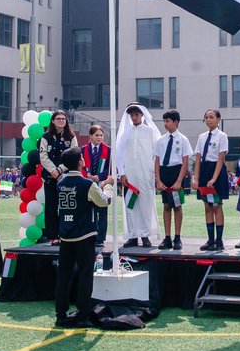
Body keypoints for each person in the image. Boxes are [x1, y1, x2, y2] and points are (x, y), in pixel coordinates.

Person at [54, 147, 114, 327]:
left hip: (65, 235)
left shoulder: (60, 183)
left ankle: (60, 314)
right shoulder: (86, 184)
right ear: (80, 162)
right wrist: (108, 185)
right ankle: (83, 315)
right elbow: (103, 201)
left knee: (64, 276)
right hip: (84, 235)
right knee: (85, 276)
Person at [114, 103, 160, 248]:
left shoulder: (150, 131)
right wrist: (121, 173)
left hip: (146, 173)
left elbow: (156, 154)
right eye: (132, 115)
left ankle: (145, 235)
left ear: (142, 115)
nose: (134, 117)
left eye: (137, 114)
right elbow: (119, 155)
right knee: (130, 204)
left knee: (146, 204)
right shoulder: (124, 133)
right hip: (129, 174)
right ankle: (133, 235)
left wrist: (154, 173)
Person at [37, 110, 78, 244]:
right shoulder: (45, 137)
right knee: (51, 207)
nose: (61, 121)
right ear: (53, 121)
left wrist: (60, 170)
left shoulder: (71, 137)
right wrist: (54, 171)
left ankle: (67, 234)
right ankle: (53, 236)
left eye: (63, 119)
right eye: (58, 119)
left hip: (66, 177)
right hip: (50, 177)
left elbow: (74, 155)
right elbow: (43, 157)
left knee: (67, 207)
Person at [153, 110, 192, 250]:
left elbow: (185, 161)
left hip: (177, 171)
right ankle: (167, 237)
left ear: (175, 122)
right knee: (166, 205)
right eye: (164, 121)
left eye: (168, 121)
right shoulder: (161, 140)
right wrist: (158, 179)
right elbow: (157, 161)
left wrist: (179, 180)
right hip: (164, 172)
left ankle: (177, 237)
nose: (165, 124)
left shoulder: (183, 139)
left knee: (177, 205)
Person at [194, 109, 230, 251]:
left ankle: (219, 240)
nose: (208, 120)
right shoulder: (202, 137)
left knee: (216, 205)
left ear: (218, 119)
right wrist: (196, 178)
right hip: (204, 170)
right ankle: (210, 240)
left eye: (211, 117)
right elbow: (198, 158)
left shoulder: (222, 136)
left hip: (217, 170)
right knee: (207, 206)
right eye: (206, 118)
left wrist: (214, 178)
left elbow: (221, 158)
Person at [81, 125, 111, 248]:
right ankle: (88, 235)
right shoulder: (83, 150)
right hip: (86, 183)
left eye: (101, 135)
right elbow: (80, 166)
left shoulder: (108, 150)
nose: (99, 137)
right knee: (87, 211)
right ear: (90, 136)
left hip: (101, 183)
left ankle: (100, 237)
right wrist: (87, 175)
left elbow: (109, 167)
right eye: (96, 135)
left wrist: (98, 177)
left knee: (102, 211)